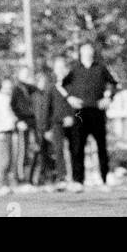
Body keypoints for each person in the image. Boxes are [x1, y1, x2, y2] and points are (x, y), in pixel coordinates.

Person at [63, 40, 118, 191]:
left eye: (89, 50)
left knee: (101, 146)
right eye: (84, 50)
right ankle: (78, 181)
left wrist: (108, 98)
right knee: (77, 146)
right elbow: (62, 85)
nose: (87, 52)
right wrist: (70, 98)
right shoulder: (74, 69)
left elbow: (114, 83)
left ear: (92, 52)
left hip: (97, 111)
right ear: (80, 53)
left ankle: (104, 180)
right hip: (80, 112)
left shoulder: (101, 68)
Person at [28, 69, 56, 187]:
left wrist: (50, 129)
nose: (42, 83)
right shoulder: (33, 96)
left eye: (45, 81)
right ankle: (32, 180)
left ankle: (48, 178)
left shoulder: (49, 95)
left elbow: (51, 113)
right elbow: (31, 114)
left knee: (48, 155)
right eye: (40, 81)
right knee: (36, 154)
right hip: (36, 130)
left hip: (47, 129)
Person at [10, 64, 36, 191]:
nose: (26, 75)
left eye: (27, 73)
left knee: (32, 151)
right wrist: (19, 121)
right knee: (22, 152)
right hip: (22, 123)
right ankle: (19, 180)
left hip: (32, 122)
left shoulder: (30, 88)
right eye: (23, 73)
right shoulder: (16, 89)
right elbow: (12, 107)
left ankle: (29, 179)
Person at [0, 77, 18, 196]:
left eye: (9, 86)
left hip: (9, 130)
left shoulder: (9, 98)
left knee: (9, 159)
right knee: (3, 160)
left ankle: (6, 184)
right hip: (2, 132)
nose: (8, 88)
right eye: (6, 86)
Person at [50, 55, 74, 187]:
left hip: (72, 122)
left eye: (62, 67)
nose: (59, 70)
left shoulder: (73, 85)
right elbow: (48, 109)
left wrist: (72, 117)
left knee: (74, 149)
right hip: (57, 123)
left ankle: (76, 177)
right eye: (57, 67)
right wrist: (46, 128)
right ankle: (62, 177)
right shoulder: (52, 87)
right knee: (58, 150)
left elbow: (79, 106)